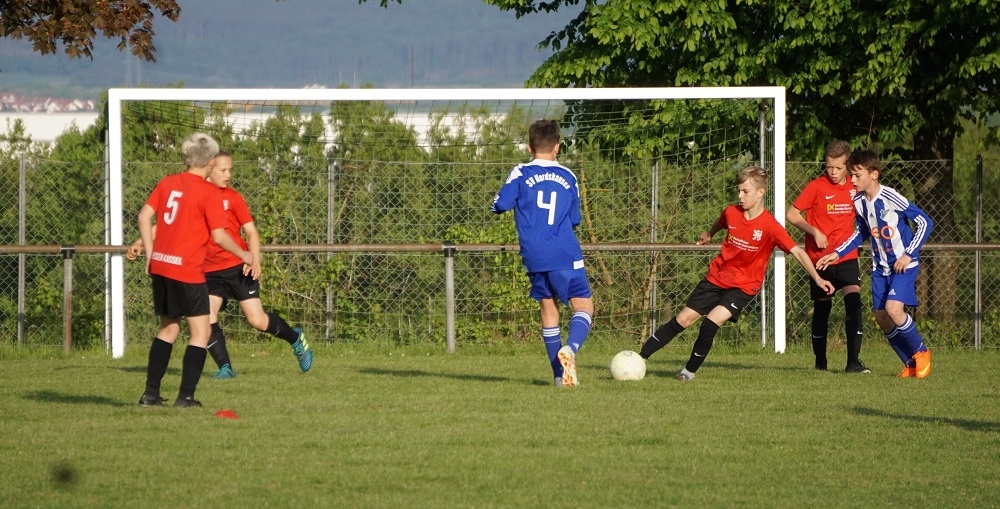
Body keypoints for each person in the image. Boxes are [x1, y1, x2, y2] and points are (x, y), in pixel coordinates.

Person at [639, 165, 835, 381]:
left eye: (745, 191)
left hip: (743, 286)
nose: (740, 196)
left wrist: (818, 278)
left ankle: (688, 372)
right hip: (716, 277)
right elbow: (721, 222)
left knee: (710, 323)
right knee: (683, 319)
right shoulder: (731, 212)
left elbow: (797, 251)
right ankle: (639, 359)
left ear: (760, 193)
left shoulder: (770, 226)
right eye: (739, 190)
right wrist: (709, 233)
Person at [128, 151, 312, 379]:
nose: (228, 175)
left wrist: (254, 258)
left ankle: (295, 338)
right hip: (208, 270)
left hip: (237, 267)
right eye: (223, 170)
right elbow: (170, 223)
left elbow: (251, 232)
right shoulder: (197, 193)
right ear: (209, 168)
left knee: (257, 320)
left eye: (230, 170)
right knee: (207, 318)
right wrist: (140, 242)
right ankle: (225, 367)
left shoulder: (232, 198)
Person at [137, 133, 253, 408]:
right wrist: (244, 254)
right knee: (200, 333)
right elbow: (219, 235)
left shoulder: (168, 182)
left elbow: (143, 216)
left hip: (162, 265)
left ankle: (150, 394)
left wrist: (151, 254)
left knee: (168, 329)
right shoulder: (208, 192)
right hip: (187, 269)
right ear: (211, 162)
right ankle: (186, 397)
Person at [491, 119, 594, 387]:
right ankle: (570, 348)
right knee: (583, 306)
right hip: (564, 251)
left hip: (534, 255)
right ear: (557, 147)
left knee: (548, 309)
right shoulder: (568, 176)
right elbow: (575, 219)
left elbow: (499, 204)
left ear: (529, 147)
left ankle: (559, 377)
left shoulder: (521, 172)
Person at [817, 150, 934, 378]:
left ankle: (921, 352)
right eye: (851, 175)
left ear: (874, 174)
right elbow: (861, 232)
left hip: (903, 265)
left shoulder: (890, 196)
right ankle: (910, 363)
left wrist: (908, 254)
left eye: (857, 175)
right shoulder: (859, 201)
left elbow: (924, 222)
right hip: (880, 268)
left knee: (893, 309)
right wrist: (837, 253)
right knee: (881, 317)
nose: (852, 180)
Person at [786, 140, 868, 373]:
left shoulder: (854, 188)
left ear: (847, 165)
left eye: (838, 168)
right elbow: (792, 214)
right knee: (823, 309)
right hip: (820, 258)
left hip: (846, 255)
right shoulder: (816, 186)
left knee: (853, 303)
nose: (833, 172)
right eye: (829, 166)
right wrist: (814, 231)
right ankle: (820, 362)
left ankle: (853, 362)